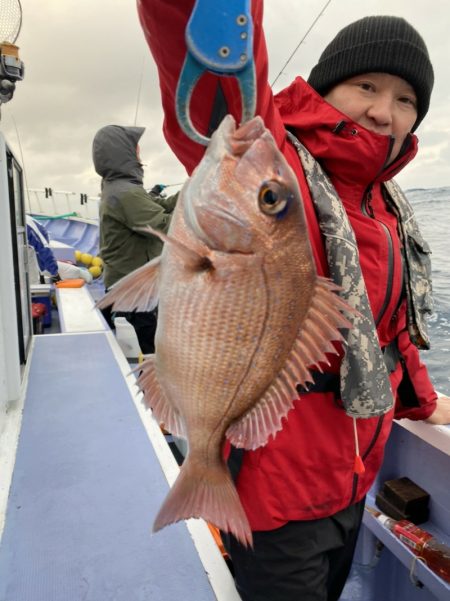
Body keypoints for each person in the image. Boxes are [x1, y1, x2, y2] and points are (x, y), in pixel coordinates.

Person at [137, 3, 450, 599]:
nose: (385, 112)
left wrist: (427, 401)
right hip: (278, 486)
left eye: (407, 99)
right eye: (366, 86)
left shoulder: (385, 206)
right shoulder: (274, 165)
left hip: (356, 476)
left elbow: (387, 332)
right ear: (327, 86)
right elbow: (213, 76)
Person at [92, 124, 178, 354]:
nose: (139, 152)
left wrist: (192, 190)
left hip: (128, 289)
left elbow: (160, 206)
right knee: (148, 357)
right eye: (135, 148)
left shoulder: (120, 188)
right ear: (124, 153)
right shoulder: (125, 193)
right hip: (134, 296)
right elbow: (163, 226)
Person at [26, 214, 60, 284]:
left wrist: (54, 272)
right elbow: (43, 248)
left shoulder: (28, 226)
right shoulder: (30, 228)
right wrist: (55, 274)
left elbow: (43, 249)